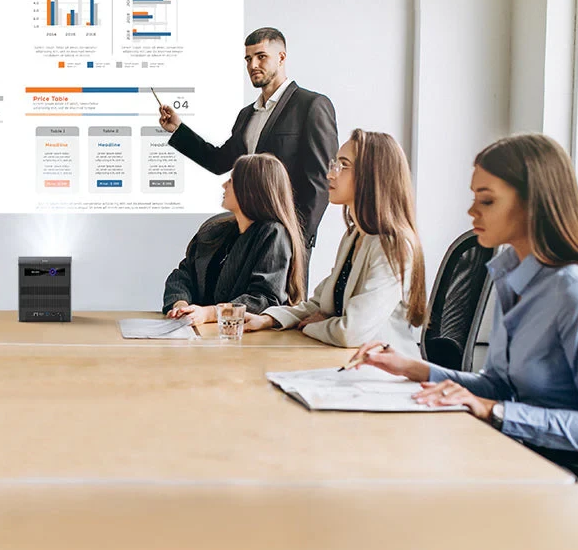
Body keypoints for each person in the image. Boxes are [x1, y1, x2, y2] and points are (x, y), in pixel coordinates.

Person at [351, 134, 578, 480]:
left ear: (533, 204)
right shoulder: (511, 275)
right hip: (516, 455)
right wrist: (410, 368)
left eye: (487, 200)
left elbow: (505, 406)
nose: (472, 211)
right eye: (474, 197)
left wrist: (494, 411)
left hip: (567, 478)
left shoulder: (574, 292)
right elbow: (498, 386)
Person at [158, 27, 339, 255]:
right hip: (246, 232)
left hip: (288, 236)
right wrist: (178, 129)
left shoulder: (311, 105)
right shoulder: (247, 115)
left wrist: (298, 237)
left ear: (281, 57)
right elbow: (219, 161)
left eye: (261, 56)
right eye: (248, 59)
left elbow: (321, 180)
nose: (253, 65)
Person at [245, 129, 426, 354]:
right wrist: (270, 319)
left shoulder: (393, 246)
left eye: (343, 165)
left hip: (382, 367)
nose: (330, 174)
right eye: (334, 164)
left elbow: (352, 332)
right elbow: (319, 304)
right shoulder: (354, 236)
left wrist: (313, 326)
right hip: (345, 359)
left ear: (372, 175)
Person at [163, 153, 305, 323]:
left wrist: (210, 313)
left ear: (251, 189)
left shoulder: (273, 234)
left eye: (231, 181)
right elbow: (183, 275)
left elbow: (264, 299)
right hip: (196, 330)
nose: (224, 185)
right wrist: (180, 304)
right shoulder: (215, 228)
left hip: (241, 335)